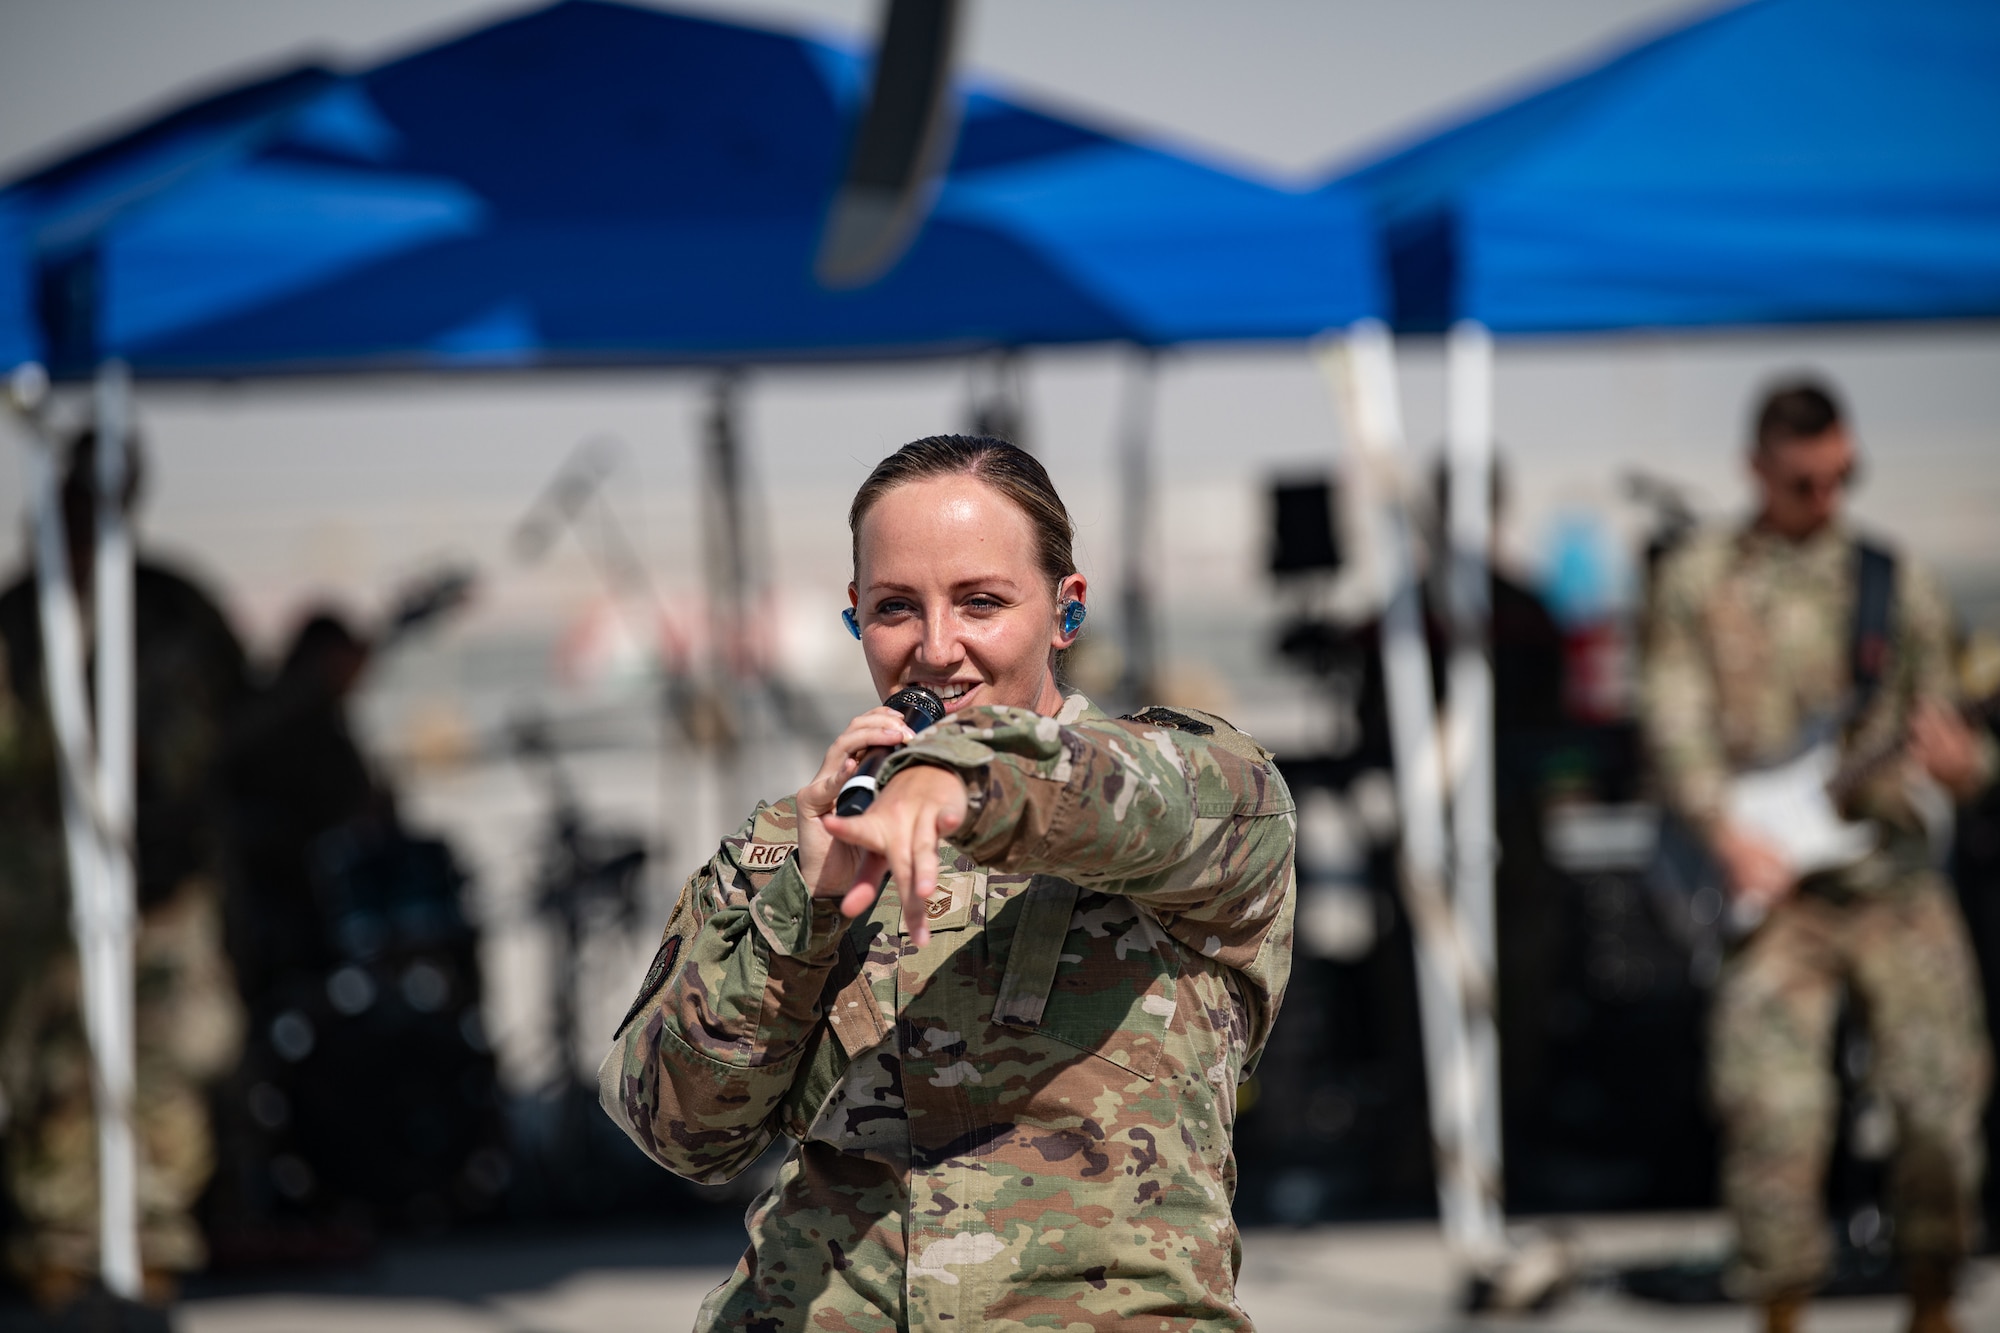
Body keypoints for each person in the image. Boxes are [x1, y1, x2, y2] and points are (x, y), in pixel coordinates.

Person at [601, 435, 1296, 1331]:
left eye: (981, 602)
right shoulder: (795, 837)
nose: (937, 648)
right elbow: (681, 1133)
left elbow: (1126, 792)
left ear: (1065, 609)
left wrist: (955, 777)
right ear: (855, 615)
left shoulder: (1202, 789)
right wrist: (803, 908)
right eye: (896, 607)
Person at [1641, 381, 1993, 1333]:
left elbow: (1953, 722)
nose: (1828, 500)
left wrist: (1964, 768)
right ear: (1758, 469)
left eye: (1844, 477)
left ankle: (1932, 1304)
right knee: (1774, 1118)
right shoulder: (1698, 578)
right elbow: (1672, 718)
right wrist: (1726, 834)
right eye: (1805, 482)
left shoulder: (1893, 579)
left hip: (1891, 877)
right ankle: (1782, 1309)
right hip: (1772, 889)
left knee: (1939, 1107)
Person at [0, 427, 247, 1308]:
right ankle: (59, 1240)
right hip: (46, 898)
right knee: (51, 1068)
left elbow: (236, 726)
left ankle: (148, 1238)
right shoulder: (23, 616)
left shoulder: (174, 606)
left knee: (174, 1059)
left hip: (166, 889)